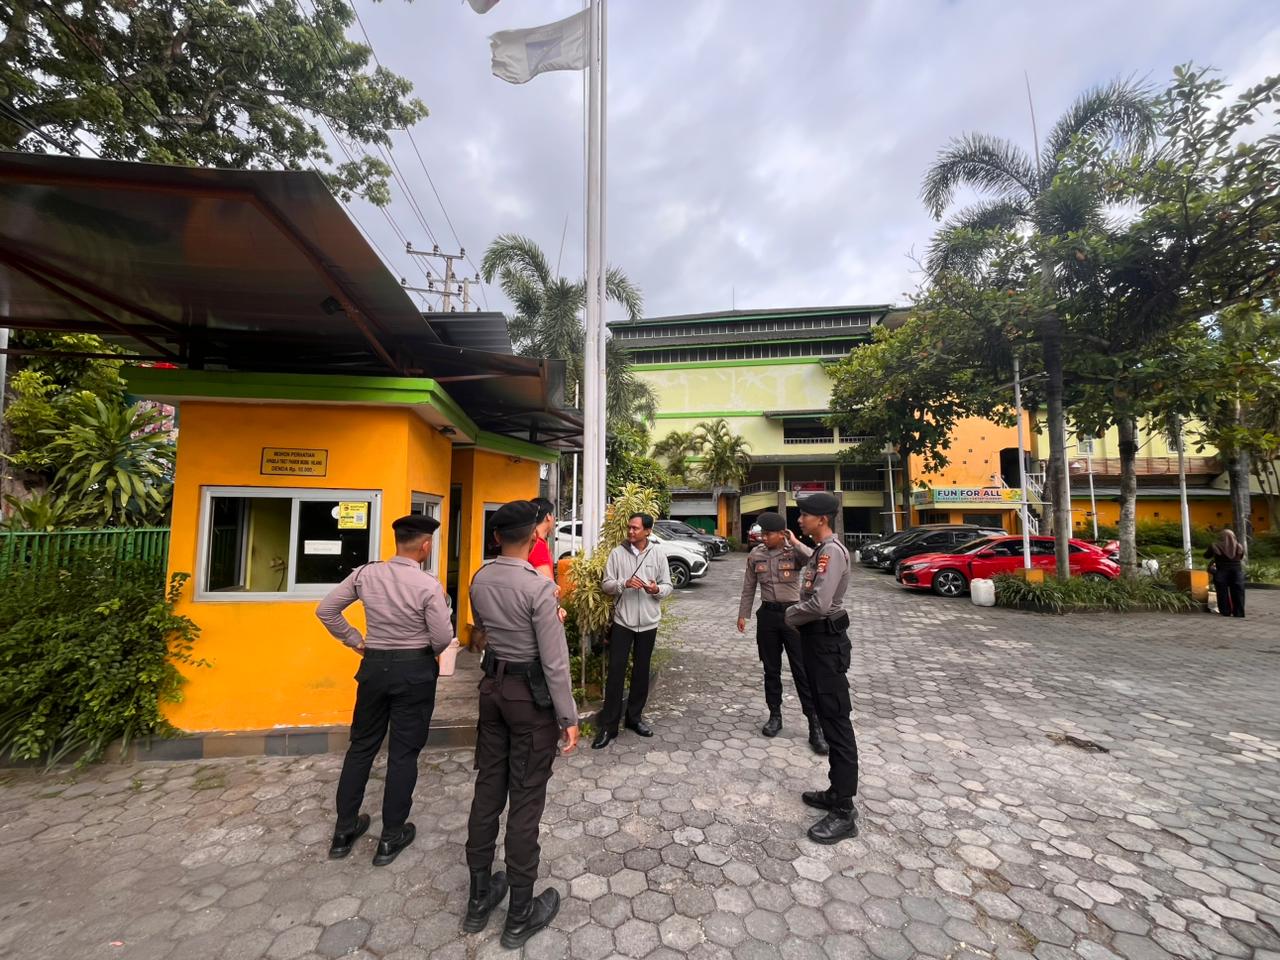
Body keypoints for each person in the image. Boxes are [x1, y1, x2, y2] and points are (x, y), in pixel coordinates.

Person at [463, 499, 579, 948]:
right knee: (526, 799)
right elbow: (554, 661)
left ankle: (478, 900)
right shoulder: (538, 588)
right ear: (534, 536)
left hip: (493, 690)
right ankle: (519, 915)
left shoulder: (479, 578)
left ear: (496, 537)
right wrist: (568, 716)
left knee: (488, 789)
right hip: (529, 700)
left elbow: (481, 628)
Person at [316, 514, 453, 866]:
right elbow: (442, 637)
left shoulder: (365, 574)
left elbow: (326, 610)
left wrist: (355, 640)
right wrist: (421, 652)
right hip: (415, 672)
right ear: (425, 546)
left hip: (374, 668)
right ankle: (390, 838)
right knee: (403, 754)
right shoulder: (428, 585)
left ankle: (343, 831)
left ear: (398, 542)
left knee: (361, 747)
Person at [785, 492, 859, 845]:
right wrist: (796, 544)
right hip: (817, 642)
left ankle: (844, 811)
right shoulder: (820, 550)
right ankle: (835, 791)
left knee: (837, 722)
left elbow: (818, 603)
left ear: (822, 519)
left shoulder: (832, 552)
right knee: (828, 717)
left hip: (827, 644)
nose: (800, 519)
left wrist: (789, 614)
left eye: (804, 515)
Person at [737, 511, 828, 754]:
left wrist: (795, 542)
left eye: (768, 534)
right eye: (762, 534)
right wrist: (743, 614)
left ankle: (815, 725)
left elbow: (815, 560)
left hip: (794, 617)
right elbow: (749, 586)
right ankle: (775, 716)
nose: (763, 538)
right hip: (768, 616)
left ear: (781, 534)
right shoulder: (755, 555)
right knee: (771, 669)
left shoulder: (793, 552)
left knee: (802, 671)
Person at [593, 512, 673, 749]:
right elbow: (606, 584)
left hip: (649, 622)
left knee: (641, 671)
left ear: (647, 531)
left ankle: (634, 718)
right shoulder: (617, 554)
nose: (630, 531)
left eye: (635, 528)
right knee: (616, 673)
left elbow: (668, 585)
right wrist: (624, 583)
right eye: (629, 527)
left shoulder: (658, 554)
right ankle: (609, 727)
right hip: (623, 622)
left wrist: (656, 589)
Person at [1206, 527, 1246, 618]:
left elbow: (1207, 555)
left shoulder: (1215, 546)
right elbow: (1241, 557)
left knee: (1222, 592)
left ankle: (1225, 611)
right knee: (1238, 592)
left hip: (1221, 572)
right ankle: (1239, 613)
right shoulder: (1239, 546)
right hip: (1236, 572)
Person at [528, 497, 556, 580]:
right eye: (553, 515)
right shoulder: (538, 545)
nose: (554, 520)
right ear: (548, 516)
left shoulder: (527, 540)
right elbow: (547, 585)